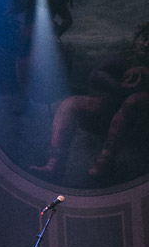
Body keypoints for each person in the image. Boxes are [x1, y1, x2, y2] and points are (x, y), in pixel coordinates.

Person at [30, 21, 149, 178]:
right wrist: (121, 88)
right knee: (69, 104)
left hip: (139, 124)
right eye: (145, 38)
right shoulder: (125, 57)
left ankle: (105, 162)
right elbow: (96, 75)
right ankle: (54, 165)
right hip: (108, 113)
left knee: (133, 101)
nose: (146, 44)